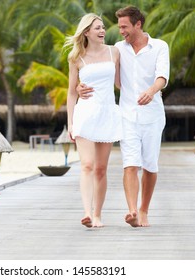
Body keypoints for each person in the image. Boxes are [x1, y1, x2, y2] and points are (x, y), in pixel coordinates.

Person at [78, 6, 170, 227]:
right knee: (130, 164)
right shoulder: (118, 49)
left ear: (138, 24)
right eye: (119, 27)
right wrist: (81, 88)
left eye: (124, 27)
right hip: (127, 115)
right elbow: (108, 77)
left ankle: (144, 209)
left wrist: (151, 91)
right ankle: (132, 212)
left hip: (153, 115)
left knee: (149, 165)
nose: (120, 31)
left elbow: (162, 77)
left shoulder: (159, 46)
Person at [65, 13, 123, 228]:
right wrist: (70, 123)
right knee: (87, 165)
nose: (102, 31)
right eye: (97, 28)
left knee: (101, 168)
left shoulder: (114, 52)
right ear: (86, 32)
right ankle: (87, 213)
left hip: (107, 114)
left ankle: (98, 214)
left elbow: (120, 84)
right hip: (85, 115)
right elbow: (72, 93)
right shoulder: (76, 58)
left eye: (103, 27)